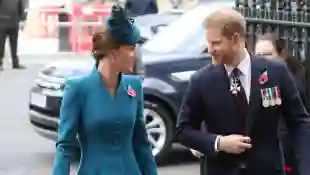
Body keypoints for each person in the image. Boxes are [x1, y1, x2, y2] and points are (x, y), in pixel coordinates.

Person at [176, 8, 310, 175]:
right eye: (208, 43)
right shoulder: (201, 80)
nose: (210, 49)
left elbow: (299, 123)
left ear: (235, 39)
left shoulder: (275, 72)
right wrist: (219, 142)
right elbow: (183, 130)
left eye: (216, 43)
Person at [52, 5, 157, 175]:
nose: (135, 54)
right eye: (130, 48)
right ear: (113, 52)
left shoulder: (134, 86)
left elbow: (142, 144)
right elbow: (65, 146)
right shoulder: (78, 89)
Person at [255, 32, 309, 175]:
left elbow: (279, 121)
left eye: (267, 54)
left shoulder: (280, 81)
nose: (262, 59)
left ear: (280, 54)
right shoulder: (268, 77)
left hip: (289, 154)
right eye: (258, 55)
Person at [0, 0, 25, 70]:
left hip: (14, 23)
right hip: (2, 22)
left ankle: (15, 63)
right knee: (1, 44)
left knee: (14, 44)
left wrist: (22, 20)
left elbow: (21, 8)